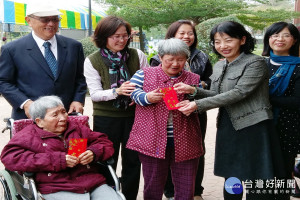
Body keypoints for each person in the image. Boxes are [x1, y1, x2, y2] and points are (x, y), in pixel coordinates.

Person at [175, 21, 282, 200]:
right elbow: (218, 93)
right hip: (228, 125)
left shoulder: (255, 62)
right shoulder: (219, 65)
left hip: (253, 125)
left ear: (242, 39)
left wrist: (197, 105)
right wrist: (193, 90)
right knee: (231, 174)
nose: (222, 46)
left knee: (255, 174)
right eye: (217, 42)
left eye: (228, 40)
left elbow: (239, 93)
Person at [1, 96, 121, 200]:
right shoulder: (28, 135)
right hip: (56, 186)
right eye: (55, 115)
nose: (63, 118)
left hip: (92, 182)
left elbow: (104, 142)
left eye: (63, 112)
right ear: (39, 121)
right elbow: (10, 157)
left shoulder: (76, 129)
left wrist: (93, 152)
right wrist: (57, 160)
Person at [127, 38, 204, 200]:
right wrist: (147, 97)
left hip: (185, 140)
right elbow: (131, 93)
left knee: (186, 185)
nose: (175, 64)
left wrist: (191, 98)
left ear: (186, 59)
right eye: (170, 59)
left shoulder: (193, 79)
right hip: (151, 140)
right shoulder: (144, 74)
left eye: (181, 59)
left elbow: (204, 101)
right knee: (153, 184)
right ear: (160, 58)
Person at [83, 16, 148, 200]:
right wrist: (117, 91)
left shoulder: (137, 55)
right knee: (105, 160)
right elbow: (94, 93)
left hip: (135, 116)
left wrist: (140, 95)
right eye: (115, 36)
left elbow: (147, 82)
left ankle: (129, 197)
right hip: (106, 117)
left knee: (133, 161)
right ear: (103, 37)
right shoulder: (92, 60)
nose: (121, 40)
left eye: (124, 35)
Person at [150, 19, 212, 200]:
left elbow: (210, 81)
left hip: (195, 108)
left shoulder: (201, 56)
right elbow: (158, 82)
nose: (187, 36)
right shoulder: (158, 58)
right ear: (172, 35)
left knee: (195, 150)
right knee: (168, 151)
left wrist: (200, 86)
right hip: (168, 112)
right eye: (182, 33)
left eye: (190, 33)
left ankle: (195, 191)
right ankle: (170, 191)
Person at [0, 3, 87, 120]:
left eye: (55, 19)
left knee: (78, 139)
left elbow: (80, 78)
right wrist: (25, 103)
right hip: (30, 118)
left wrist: (78, 100)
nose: (51, 24)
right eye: (45, 19)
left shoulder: (74, 46)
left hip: (67, 117)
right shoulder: (12, 49)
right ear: (29, 21)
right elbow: (3, 81)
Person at [262, 22, 300, 199]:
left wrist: (264, 98)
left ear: (294, 40)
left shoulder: (298, 67)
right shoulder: (259, 64)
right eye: (275, 35)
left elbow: (297, 101)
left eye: (286, 35)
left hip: (288, 127)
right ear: (268, 39)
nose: (279, 39)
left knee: (284, 172)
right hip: (260, 126)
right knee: (262, 172)